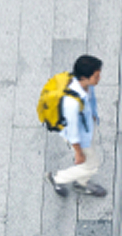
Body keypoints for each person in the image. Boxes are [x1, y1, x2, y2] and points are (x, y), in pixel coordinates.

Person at [46, 55, 108, 197]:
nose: (99, 79)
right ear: (84, 77)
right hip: (80, 137)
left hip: (86, 129)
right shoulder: (72, 103)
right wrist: (78, 152)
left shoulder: (86, 85)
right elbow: (72, 132)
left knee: (89, 162)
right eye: (96, 76)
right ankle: (58, 178)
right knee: (92, 165)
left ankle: (81, 183)